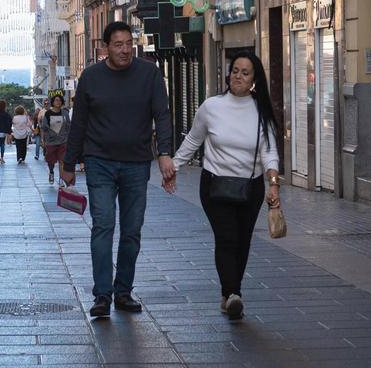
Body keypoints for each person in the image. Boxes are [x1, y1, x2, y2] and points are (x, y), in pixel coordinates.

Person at [62, 21, 175, 318]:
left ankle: (123, 290)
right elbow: (79, 123)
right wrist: (68, 163)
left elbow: (162, 115)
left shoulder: (149, 74)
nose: (125, 50)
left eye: (129, 44)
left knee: (132, 230)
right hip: (99, 161)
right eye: (118, 45)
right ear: (106, 47)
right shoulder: (91, 77)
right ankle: (102, 295)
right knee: (103, 225)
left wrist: (164, 152)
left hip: (137, 163)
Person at [172, 52, 280, 320]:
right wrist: (172, 167)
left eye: (245, 72)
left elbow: (269, 151)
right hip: (215, 185)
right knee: (227, 237)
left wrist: (273, 183)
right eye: (235, 71)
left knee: (242, 241)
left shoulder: (261, 109)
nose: (238, 76)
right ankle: (232, 294)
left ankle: (231, 293)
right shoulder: (212, 106)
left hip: (250, 187)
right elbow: (193, 140)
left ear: (255, 79)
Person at [40, 95, 70, 184]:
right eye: (56, 100)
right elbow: (43, 127)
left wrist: (68, 137)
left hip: (63, 141)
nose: (58, 102)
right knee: (51, 161)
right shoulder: (48, 113)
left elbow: (68, 126)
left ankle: (61, 179)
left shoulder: (65, 113)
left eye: (60, 100)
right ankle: (51, 171)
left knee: (62, 161)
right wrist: (42, 140)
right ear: (52, 102)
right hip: (51, 141)